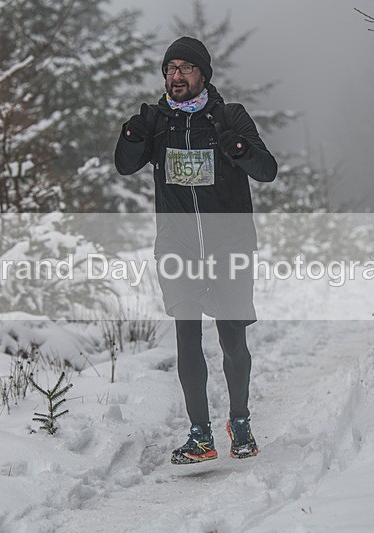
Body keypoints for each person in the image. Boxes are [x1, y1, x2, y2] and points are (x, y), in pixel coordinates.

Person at [114, 37, 277, 465]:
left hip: (230, 244)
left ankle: (239, 424)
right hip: (178, 245)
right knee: (187, 335)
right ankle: (200, 435)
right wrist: (132, 134)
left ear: (203, 74)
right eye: (170, 69)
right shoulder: (157, 121)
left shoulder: (229, 116)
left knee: (232, 339)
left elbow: (267, 170)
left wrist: (237, 147)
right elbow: (125, 164)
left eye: (186, 68)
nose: (176, 75)